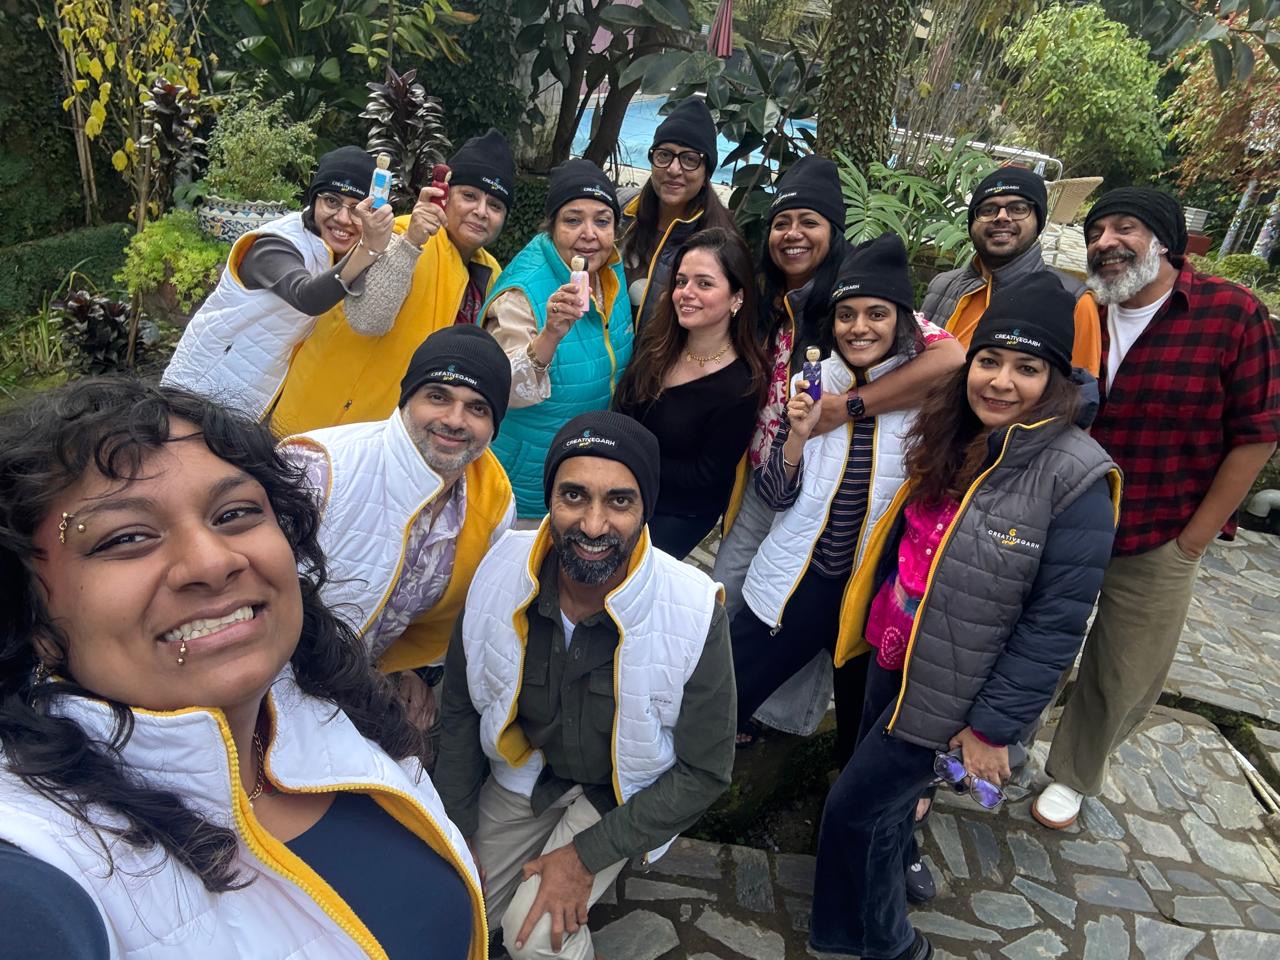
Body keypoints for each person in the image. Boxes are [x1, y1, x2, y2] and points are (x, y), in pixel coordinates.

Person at [0, 378, 485, 959]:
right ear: (31, 615)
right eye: (125, 537)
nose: (211, 562)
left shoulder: (328, 703)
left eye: (234, 513)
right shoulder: (37, 856)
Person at [809, 274, 1121, 960]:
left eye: (1026, 368)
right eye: (989, 360)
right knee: (884, 812)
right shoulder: (955, 432)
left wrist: (993, 728)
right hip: (892, 651)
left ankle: (890, 945)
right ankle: (850, 925)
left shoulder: (1076, 478)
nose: (1001, 381)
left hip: (951, 690)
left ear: (1056, 380)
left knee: (856, 811)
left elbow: (1055, 626)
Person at [434, 411, 735, 960]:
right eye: (574, 496)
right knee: (449, 908)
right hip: (527, 773)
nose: (594, 526)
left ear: (646, 510)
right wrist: (458, 827)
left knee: (535, 938)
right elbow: (460, 707)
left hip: (621, 794)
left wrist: (585, 855)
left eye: (619, 501)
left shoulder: (693, 610)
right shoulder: (500, 571)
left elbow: (706, 771)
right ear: (550, 499)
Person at [1033, 187, 1280, 830]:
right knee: (1033, 640)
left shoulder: (1232, 314)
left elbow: (1258, 432)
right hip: (1063, 518)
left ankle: (1074, 772)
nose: (1106, 242)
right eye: (1096, 231)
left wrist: (1195, 540)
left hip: (1161, 526)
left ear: (1165, 240)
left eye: (1125, 228)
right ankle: (1001, 742)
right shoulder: (1082, 310)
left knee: (1125, 667)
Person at [712, 156, 965, 739]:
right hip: (772, 474)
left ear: (835, 230)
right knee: (737, 599)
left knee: (818, 621)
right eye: (782, 222)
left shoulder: (857, 292)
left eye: (810, 221)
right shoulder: (767, 297)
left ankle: (769, 724)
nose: (793, 234)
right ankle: (727, 710)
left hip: (835, 505)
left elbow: (951, 356)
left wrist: (845, 408)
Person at [279, 325, 516, 731]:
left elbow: (446, 616)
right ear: (407, 397)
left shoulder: (493, 504)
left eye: (477, 408)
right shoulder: (317, 468)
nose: (454, 420)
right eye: (438, 397)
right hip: (273, 677)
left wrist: (413, 671)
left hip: (356, 691)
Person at [271, 130, 515, 435]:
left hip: (389, 435)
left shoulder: (489, 271)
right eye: (469, 196)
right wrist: (412, 242)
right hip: (321, 422)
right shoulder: (398, 232)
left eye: (495, 205)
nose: (481, 211)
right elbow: (367, 320)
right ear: (443, 195)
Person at [163, 146, 393, 420]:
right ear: (314, 200)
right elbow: (307, 297)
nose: (343, 218)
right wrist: (368, 248)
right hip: (200, 389)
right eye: (331, 201)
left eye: (356, 209)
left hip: (250, 401)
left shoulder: (335, 253)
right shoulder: (275, 244)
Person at [482, 158, 634, 520]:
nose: (589, 234)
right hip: (521, 484)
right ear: (551, 227)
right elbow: (500, 389)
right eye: (573, 220)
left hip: (578, 468)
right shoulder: (522, 293)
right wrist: (550, 334)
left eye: (602, 221)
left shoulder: (610, 272)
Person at [613, 227, 768, 558]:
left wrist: (631, 459)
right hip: (621, 486)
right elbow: (622, 408)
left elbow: (705, 474)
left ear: (737, 298)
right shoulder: (658, 343)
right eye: (681, 281)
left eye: (704, 283)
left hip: (676, 513)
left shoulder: (742, 384)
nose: (686, 292)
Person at [920, 166, 1101, 375]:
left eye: (1018, 208)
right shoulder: (943, 284)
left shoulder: (1074, 301)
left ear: (1038, 222)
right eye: (988, 210)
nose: (1002, 217)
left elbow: (1079, 389)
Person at [617, 97, 740, 330]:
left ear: (706, 173)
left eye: (689, 159)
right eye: (664, 155)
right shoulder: (620, 212)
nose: (674, 169)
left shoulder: (720, 240)